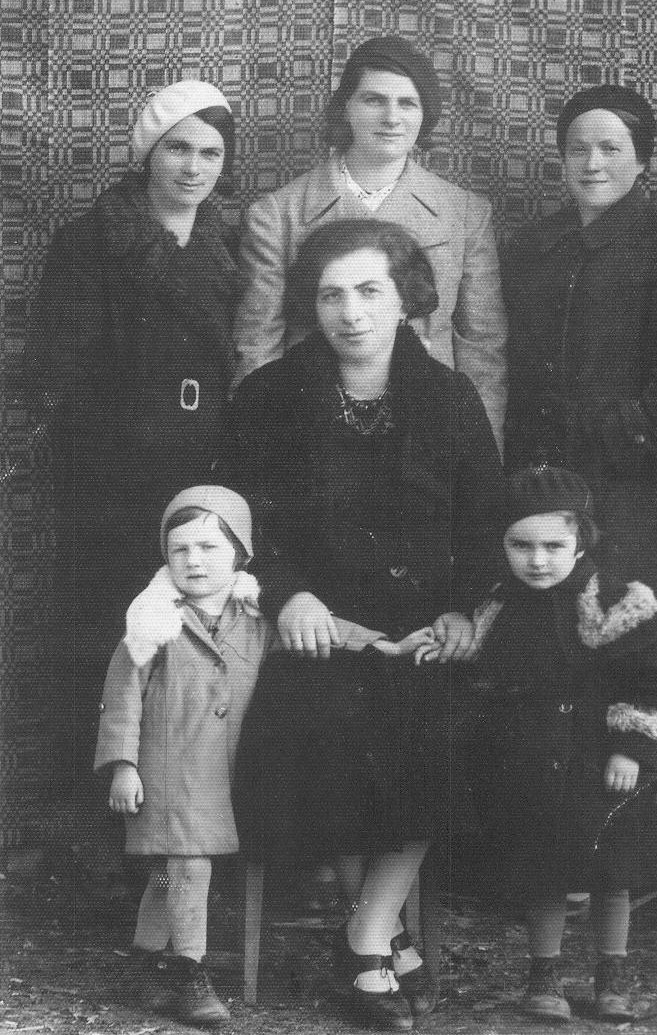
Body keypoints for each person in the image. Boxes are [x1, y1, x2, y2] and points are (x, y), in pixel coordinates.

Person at [225, 219, 505, 1031]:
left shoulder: (449, 398)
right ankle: (376, 934)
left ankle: (367, 931)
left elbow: (483, 523)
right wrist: (287, 595)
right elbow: (243, 521)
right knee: (329, 727)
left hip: (419, 634)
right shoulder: (269, 396)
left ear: (406, 299)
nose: (350, 312)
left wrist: (460, 609)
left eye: (370, 291)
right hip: (314, 629)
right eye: (331, 294)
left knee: (432, 730)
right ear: (312, 305)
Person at [95, 484, 413, 1028]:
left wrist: (384, 644)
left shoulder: (255, 615)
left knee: (171, 873)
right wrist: (122, 765)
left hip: (225, 773)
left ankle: (145, 963)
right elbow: (120, 698)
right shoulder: (151, 621)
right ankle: (190, 976)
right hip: (168, 772)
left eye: (208, 548)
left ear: (241, 554)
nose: (193, 561)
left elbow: (327, 631)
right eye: (179, 550)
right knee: (188, 870)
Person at [28, 80, 240, 786]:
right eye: (176, 148)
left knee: (193, 637)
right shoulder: (92, 242)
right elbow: (57, 368)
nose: (192, 168)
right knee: (108, 636)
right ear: (148, 153)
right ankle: (92, 831)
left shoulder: (230, 243)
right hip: (112, 477)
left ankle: (178, 818)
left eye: (209, 153)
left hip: (202, 469)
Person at [458, 466, 657, 1023]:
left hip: (600, 762)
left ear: (583, 542)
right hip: (531, 762)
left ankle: (612, 973)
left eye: (554, 546)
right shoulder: (494, 609)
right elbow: (483, 684)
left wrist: (630, 748)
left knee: (613, 872)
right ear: (502, 545)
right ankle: (544, 973)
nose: (538, 560)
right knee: (543, 871)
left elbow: (650, 681)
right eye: (521, 545)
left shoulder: (619, 604)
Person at [231, 34, 508, 451]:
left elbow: (482, 349)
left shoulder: (466, 214)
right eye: (374, 100)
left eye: (407, 103)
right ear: (347, 108)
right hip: (313, 436)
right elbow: (257, 347)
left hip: (428, 438)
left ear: (424, 115)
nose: (392, 117)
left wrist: (481, 461)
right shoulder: (276, 215)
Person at [501, 84, 657, 613]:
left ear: (642, 159)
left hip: (623, 486)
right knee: (531, 638)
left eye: (611, 148)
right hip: (529, 483)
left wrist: (601, 447)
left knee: (621, 632)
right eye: (577, 148)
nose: (592, 164)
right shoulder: (530, 246)